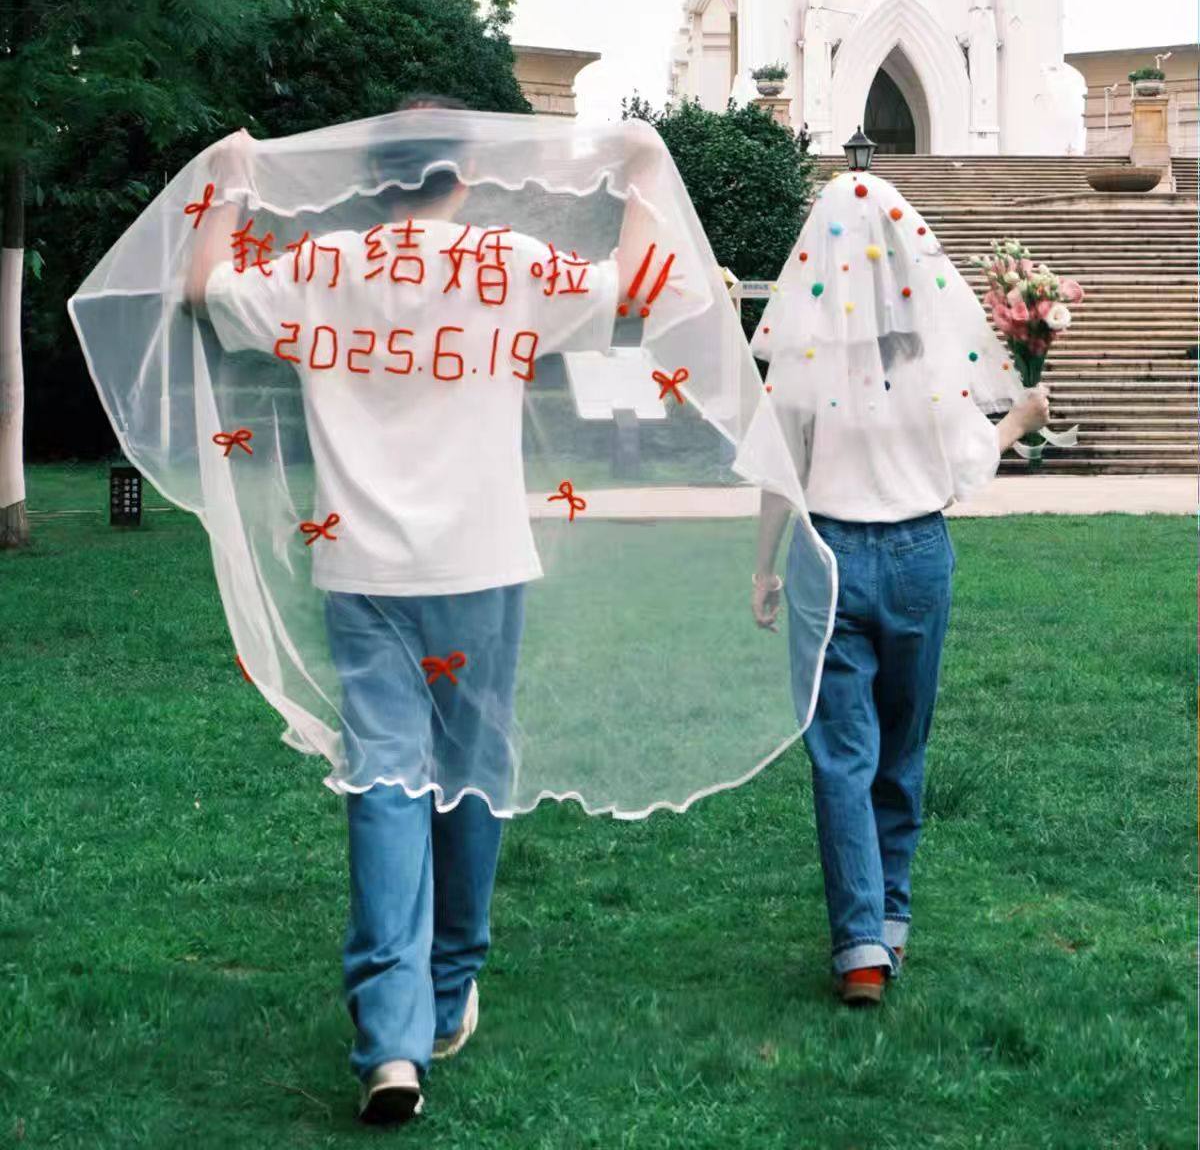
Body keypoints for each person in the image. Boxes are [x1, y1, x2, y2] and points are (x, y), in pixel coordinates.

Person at [183, 97, 668, 1123]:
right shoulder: (508, 262)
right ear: (465, 172)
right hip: (481, 561)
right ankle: (447, 992)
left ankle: (392, 1038)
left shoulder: (323, 265)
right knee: (473, 772)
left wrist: (229, 183)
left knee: (385, 783)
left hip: (361, 567)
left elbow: (201, 290)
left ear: (372, 177)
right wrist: (640, 168)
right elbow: (634, 286)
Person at [748, 169, 1050, 1006]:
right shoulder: (930, 354)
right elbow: (966, 465)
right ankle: (893, 916)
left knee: (840, 754)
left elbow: (779, 473)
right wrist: (1021, 419)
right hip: (918, 553)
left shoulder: (804, 355)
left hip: (826, 555)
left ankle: (860, 948)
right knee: (901, 746)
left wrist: (765, 565)